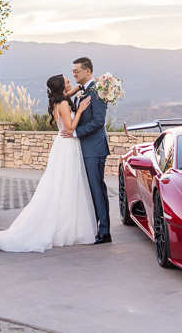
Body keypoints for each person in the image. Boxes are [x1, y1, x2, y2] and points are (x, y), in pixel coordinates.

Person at [0, 74, 97, 252]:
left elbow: (75, 90)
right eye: (67, 81)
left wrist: (89, 84)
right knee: (66, 184)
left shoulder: (62, 99)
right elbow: (70, 128)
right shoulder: (65, 104)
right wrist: (80, 109)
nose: (70, 82)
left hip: (65, 146)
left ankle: (69, 223)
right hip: (67, 146)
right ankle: (64, 226)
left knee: (66, 184)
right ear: (61, 87)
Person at [63, 56, 112, 243]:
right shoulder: (84, 90)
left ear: (88, 72)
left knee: (97, 188)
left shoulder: (97, 91)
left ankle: (105, 231)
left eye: (77, 70)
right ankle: (93, 226)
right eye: (73, 71)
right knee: (89, 189)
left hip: (94, 148)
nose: (74, 73)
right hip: (84, 148)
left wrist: (75, 133)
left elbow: (99, 122)